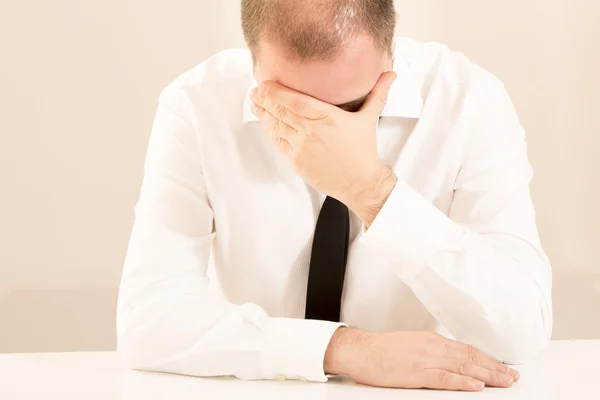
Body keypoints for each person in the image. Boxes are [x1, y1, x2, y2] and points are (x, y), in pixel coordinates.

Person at [116, 0, 552, 392]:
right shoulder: (197, 104)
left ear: (393, 33)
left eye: (351, 106)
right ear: (250, 53)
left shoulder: (468, 101)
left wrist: (370, 190)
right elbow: (148, 319)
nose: (319, 131)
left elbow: (519, 333)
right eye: (289, 105)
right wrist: (346, 350)